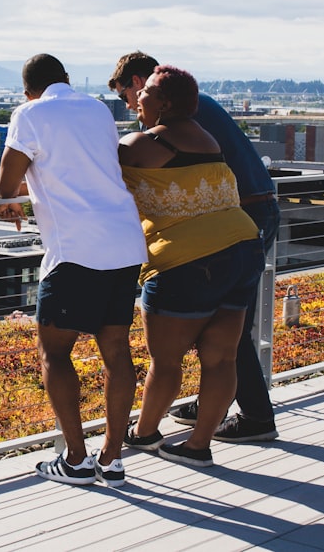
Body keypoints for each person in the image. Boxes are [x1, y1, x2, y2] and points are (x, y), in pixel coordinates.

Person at [0, 53, 148, 487]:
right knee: (116, 352)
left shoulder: (29, 113)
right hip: (123, 242)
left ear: (28, 91)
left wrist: (3, 193)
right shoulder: (98, 109)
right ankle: (112, 460)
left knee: (54, 353)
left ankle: (76, 460)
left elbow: (6, 185)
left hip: (75, 250)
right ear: (67, 80)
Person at [110, 51, 280, 443]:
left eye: (133, 96)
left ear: (147, 89)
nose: (133, 104)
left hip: (206, 242)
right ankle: (203, 434)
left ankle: (250, 416)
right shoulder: (202, 126)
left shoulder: (150, 140)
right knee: (222, 348)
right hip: (243, 233)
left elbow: (103, 172)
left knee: (169, 361)